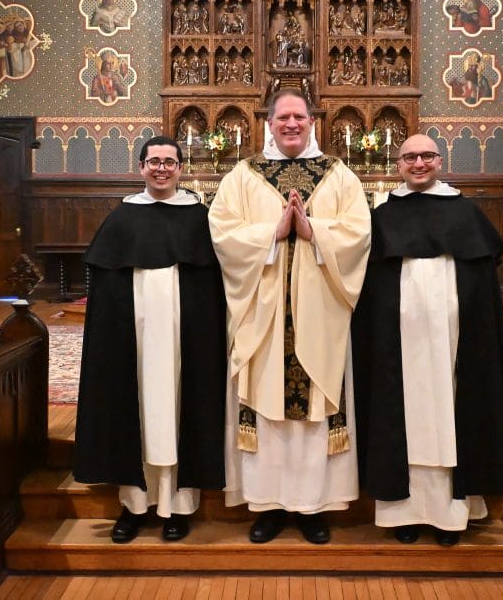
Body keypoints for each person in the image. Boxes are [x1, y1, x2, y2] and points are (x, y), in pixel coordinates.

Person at [208, 89, 371, 544]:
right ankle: (270, 506)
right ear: (270, 123)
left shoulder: (340, 176)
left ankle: (314, 506)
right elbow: (223, 234)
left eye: (300, 116)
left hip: (319, 315)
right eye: (284, 117)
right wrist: (272, 233)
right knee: (266, 411)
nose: (292, 124)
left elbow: (359, 234)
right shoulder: (242, 176)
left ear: (312, 122)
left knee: (316, 409)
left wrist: (312, 230)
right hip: (263, 315)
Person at [351, 134, 503, 546]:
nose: (419, 163)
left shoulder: (464, 212)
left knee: (451, 410)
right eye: (409, 157)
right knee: (402, 412)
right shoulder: (383, 213)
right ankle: (402, 512)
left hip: (455, 337)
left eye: (426, 155)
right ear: (398, 164)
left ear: (439, 160)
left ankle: (451, 513)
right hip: (399, 337)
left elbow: (482, 284)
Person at [73, 136, 227, 544]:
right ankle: (134, 505)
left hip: (184, 337)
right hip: (133, 337)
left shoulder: (198, 217)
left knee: (180, 408)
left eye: (169, 162)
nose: (161, 168)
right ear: (141, 167)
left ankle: (179, 506)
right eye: (153, 161)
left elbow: (213, 285)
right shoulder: (122, 217)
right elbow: (104, 292)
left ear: (181, 168)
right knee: (134, 410)